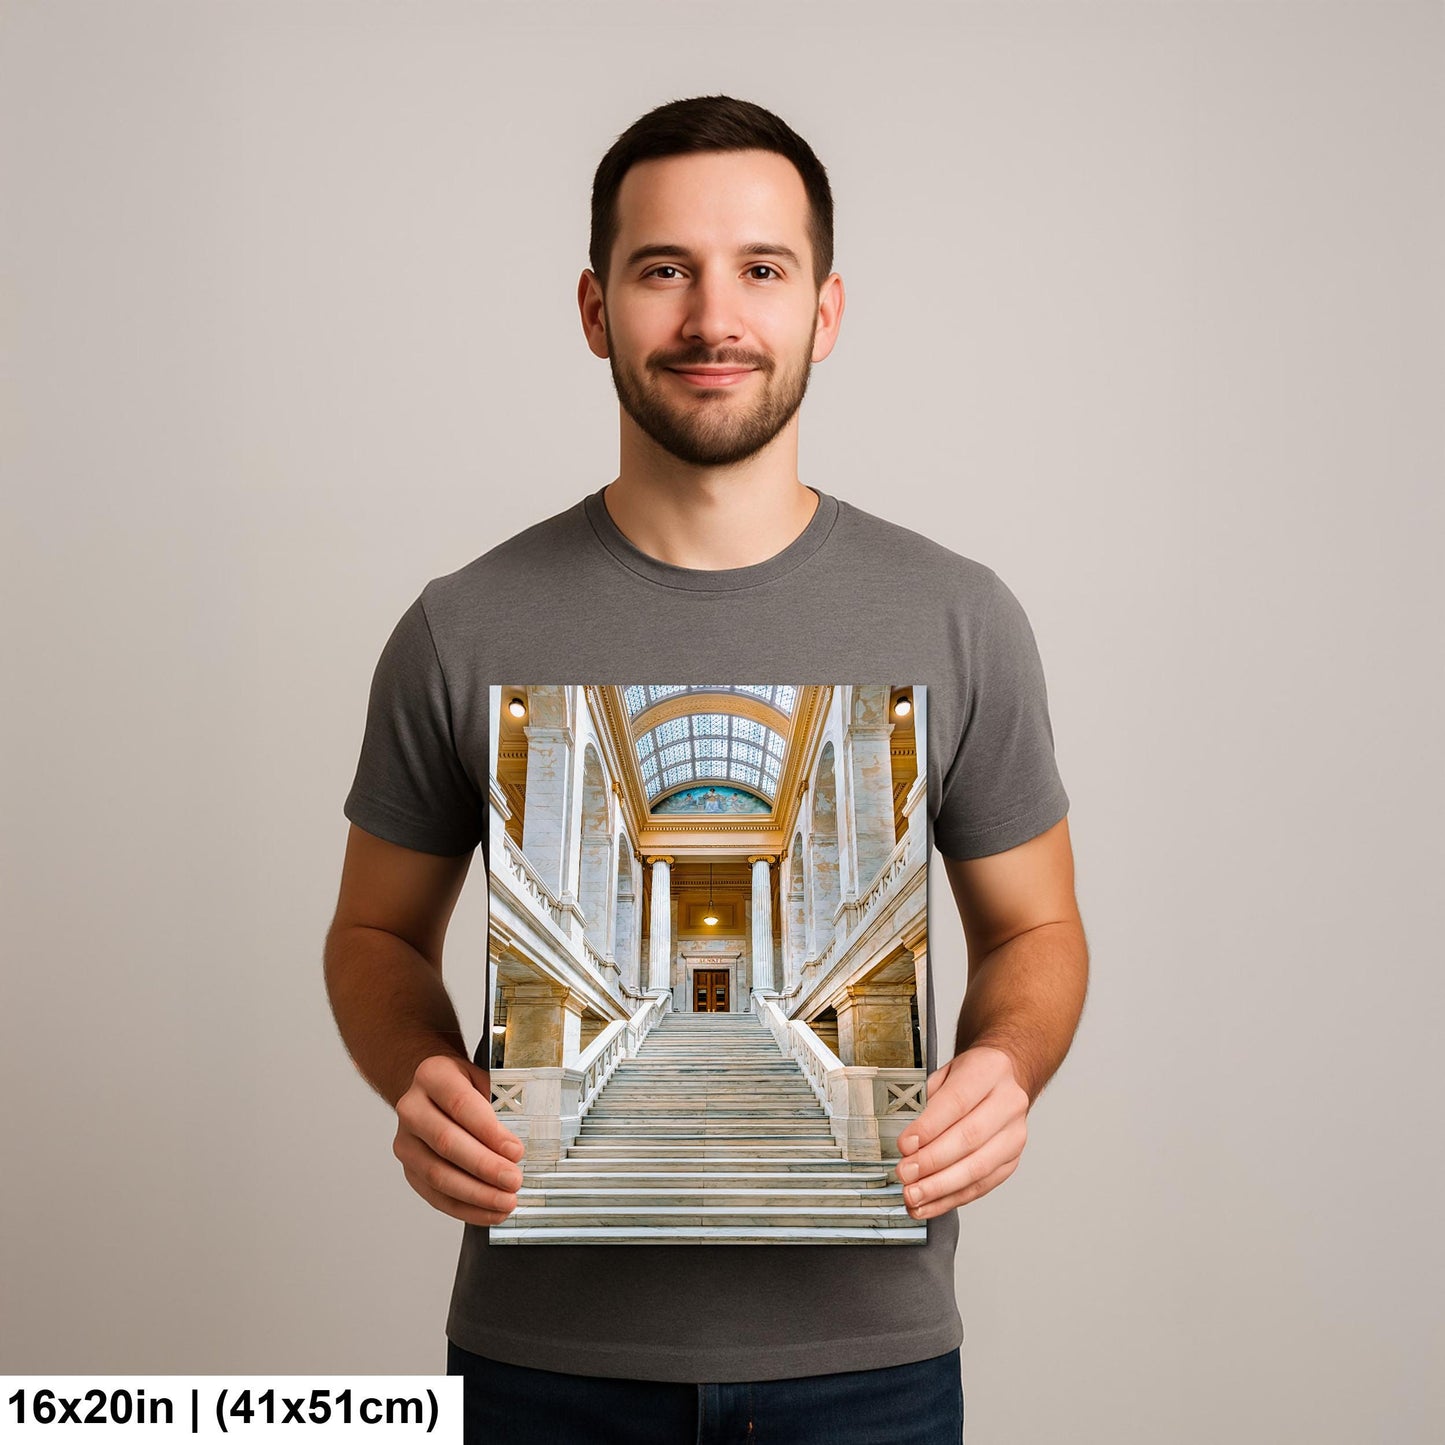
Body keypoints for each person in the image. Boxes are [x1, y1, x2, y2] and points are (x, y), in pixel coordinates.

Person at [325, 94, 1089, 1445]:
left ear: (825, 309)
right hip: (538, 1363)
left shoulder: (960, 616)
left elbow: (1036, 928)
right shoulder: (463, 624)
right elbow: (375, 931)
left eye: (760, 269)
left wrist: (1003, 1064)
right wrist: (419, 1070)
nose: (711, 318)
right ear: (593, 306)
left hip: (869, 1364)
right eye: (662, 268)